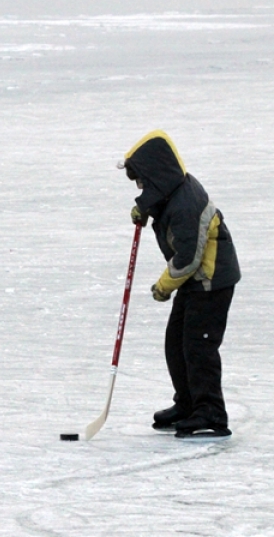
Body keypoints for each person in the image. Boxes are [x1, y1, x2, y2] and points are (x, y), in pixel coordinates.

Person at [121, 130, 240, 440]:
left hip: (211, 281)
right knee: (176, 344)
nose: (140, 186)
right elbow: (164, 204)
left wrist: (163, 286)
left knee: (199, 348)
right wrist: (147, 207)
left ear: (157, 173)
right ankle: (188, 404)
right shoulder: (171, 190)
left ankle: (210, 412)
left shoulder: (186, 204)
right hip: (196, 280)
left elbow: (188, 257)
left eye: (142, 180)